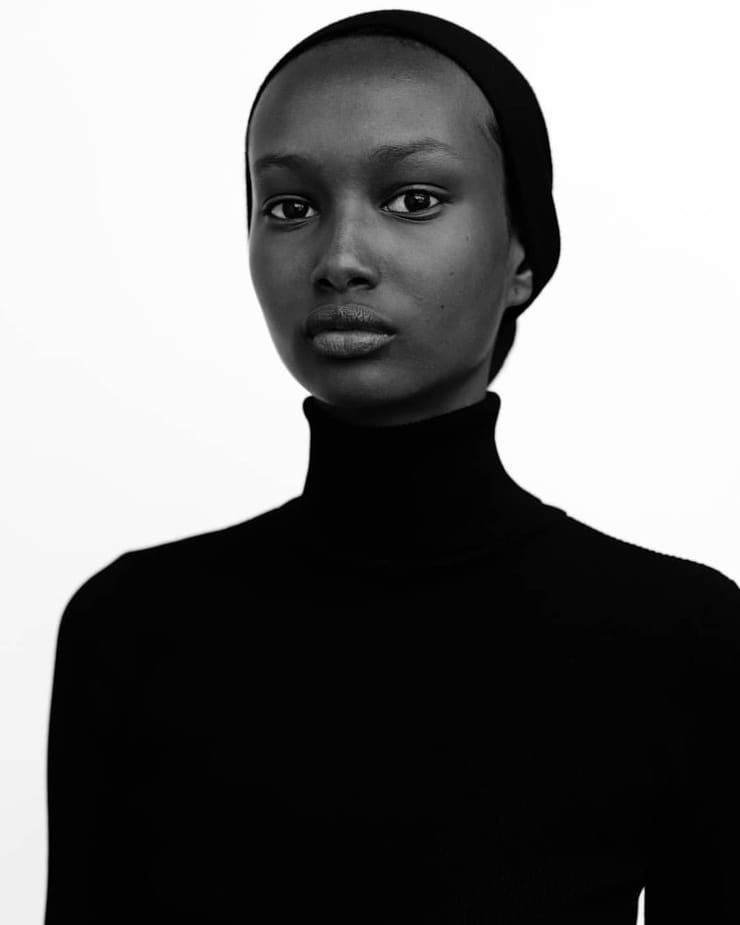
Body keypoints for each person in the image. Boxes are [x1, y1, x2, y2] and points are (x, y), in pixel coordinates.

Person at [44, 10, 740, 924]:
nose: (339, 260)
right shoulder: (130, 631)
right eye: (289, 207)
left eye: (413, 199)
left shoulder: (682, 639)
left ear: (522, 253)